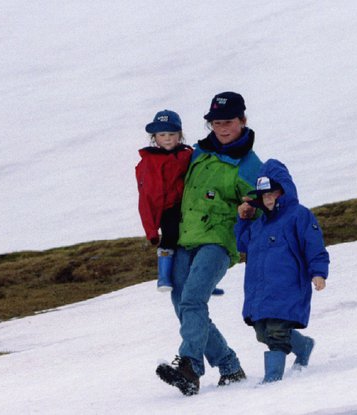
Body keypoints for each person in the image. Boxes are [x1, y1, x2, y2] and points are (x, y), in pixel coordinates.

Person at [156, 92, 262, 395]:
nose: (222, 128)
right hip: (184, 238)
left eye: (228, 122)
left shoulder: (250, 165)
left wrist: (250, 210)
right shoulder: (198, 153)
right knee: (183, 303)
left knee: (192, 300)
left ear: (242, 120)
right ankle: (229, 366)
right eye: (215, 122)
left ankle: (189, 367)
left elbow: (264, 203)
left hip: (218, 242)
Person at [235, 159, 329, 383]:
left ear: (283, 191)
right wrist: (244, 220)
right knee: (263, 332)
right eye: (263, 195)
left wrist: (318, 272)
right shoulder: (258, 225)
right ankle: (304, 346)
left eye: (272, 193)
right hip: (260, 290)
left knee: (277, 334)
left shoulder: (299, 215)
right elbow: (242, 244)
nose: (268, 199)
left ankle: (272, 379)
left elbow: (314, 245)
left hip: (288, 287)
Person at [136, 109, 192, 291]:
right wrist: (151, 230)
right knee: (170, 238)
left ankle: (199, 279)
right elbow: (146, 198)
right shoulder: (149, 162)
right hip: (167, 209)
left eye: (172, 134)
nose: (167, 138)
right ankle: (164, 277)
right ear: (155, 138)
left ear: (180, 135)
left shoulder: (188, 155)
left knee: (194, 240)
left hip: (189, 206)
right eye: (162, 134)